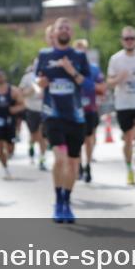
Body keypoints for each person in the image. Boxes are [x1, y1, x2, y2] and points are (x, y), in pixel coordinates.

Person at [35, 17, 92, 223]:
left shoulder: (79, 56)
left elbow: (88, 86)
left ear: (71, 33)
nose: (64, 30)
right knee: (60, 159)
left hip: (76, 117)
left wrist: (71, 71)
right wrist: (40, 83)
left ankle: (67, 202)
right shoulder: (44, 55)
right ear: (55, 32)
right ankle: (58, 201)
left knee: (73, 164)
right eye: (61, 27)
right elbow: (36, 82)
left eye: (68, 27)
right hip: (53, 114)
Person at [106, 26, 135, 186]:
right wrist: (119, 77)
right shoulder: (115, 59)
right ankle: (128, 169)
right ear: (122, 41)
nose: (129, 41)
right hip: (123, 103)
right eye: (126, 39)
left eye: (132, 38)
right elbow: (109, 83)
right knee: (127, 140)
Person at [73, 38, 106, 183]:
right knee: (77, 141)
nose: (80, 51)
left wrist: (89, 85)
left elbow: (102, 87)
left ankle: (88, 165)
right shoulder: (70, 68)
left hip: (90, 109)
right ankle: (79, 165)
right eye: (77, 48)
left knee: (89, 139)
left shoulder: (93, 68)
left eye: (83, 48)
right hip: (74, 110)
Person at [0, 69, 24, 180]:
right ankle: (5, 169)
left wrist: (14, 109)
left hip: (10, 122)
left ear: (5, 77)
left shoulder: (13, 90)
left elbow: (22, 105)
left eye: (1, 75)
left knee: (10, 148)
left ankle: (8, 154)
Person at [19, 59, 47, 169]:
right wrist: (31, 89)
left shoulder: (48, 76)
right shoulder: (27, 77)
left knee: (41, 136)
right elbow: (21, 93)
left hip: (44, 110)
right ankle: (31, 147)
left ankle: (42, 159)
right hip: (31, 109)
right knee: (34, 135)